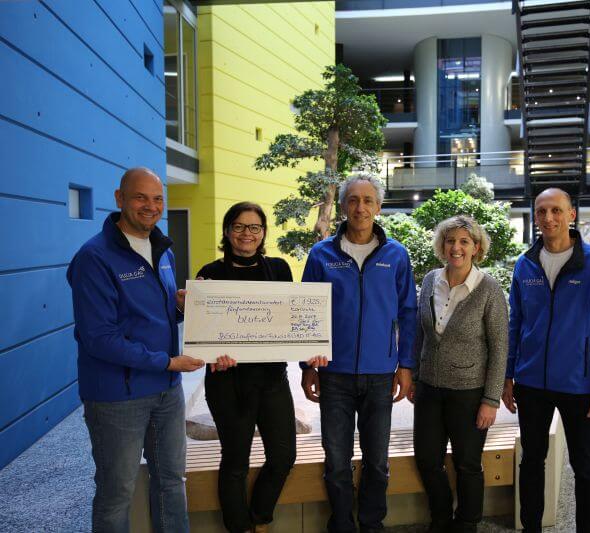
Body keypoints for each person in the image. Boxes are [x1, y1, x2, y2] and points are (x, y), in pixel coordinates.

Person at [67, 167, 205, 533]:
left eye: (158, 199)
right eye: (140, 197)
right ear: (119, 198)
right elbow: (99, 337)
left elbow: (151, 316)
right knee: (117, 492)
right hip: (117, 396)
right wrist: (168, 362)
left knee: (172, 481)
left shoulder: (162, 250)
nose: (151, 206)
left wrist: (179, 308)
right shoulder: (94, 257)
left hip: (166, 391)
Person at [194, 202, 328, 532]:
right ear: (227, 231)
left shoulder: (279, 269)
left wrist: (312, 348)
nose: (247, 234)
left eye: (254, 227)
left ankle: (260, 517)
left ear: (263, 233)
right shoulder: (209, 274)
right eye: (239, 226)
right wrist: (212, 353)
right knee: (235, 461)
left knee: (283, 457)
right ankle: (239, 527)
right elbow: (201, 333)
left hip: (271, 379)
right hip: (227, 382)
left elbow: (292, 320)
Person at [503, 188, 590, 533]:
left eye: (556, 210)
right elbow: (516, 323)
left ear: (571, 215)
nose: (549, 218)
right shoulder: (526, 263)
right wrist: (508, 375)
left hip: (580, 385)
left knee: (584, 467)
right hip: (532, 383)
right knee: (531, 461)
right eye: (542, 211)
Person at [300, 173, 417, 533]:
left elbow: (408, 312)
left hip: (380, 374)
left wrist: (405, 365)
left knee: (377, 461)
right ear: (342, 206)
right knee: (337, 460)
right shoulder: (321, 254)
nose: (360, 207)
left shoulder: (396, 255)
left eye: (368, 200)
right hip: (334, 375)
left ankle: (372, 523)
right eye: (353, 200)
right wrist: (307, 366)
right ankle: (341, 523)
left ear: (378, 207)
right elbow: (306, 312)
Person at [410, 215, 508, 533]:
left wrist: (491, 400)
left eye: (464, 241)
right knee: (427, 459)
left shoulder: (489, 289)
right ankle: (441, 519)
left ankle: (467, 523)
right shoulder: (430, 281)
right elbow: (420, 333)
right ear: (442, 245)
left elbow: (500, 348)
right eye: (450, 240)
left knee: (467, 464)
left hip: (469, 393)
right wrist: (413, 375)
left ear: (476, 248)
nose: (456, 247)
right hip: (429, 389)